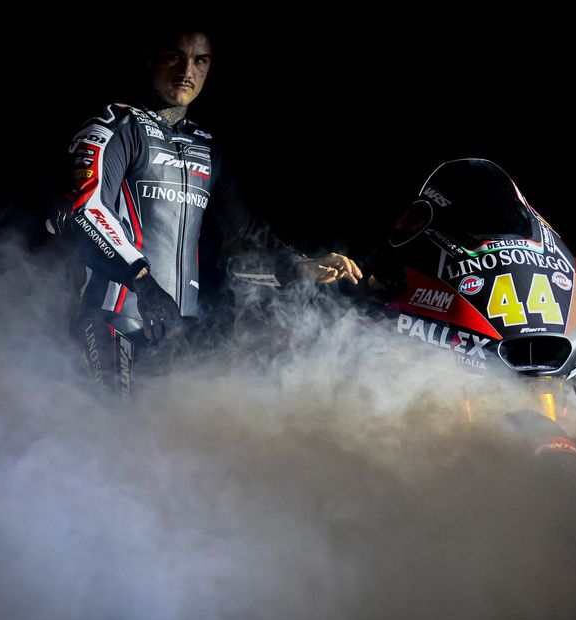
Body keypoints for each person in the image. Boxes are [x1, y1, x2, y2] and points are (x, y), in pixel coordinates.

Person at [52, 28, 361, 400]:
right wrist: (144, 282)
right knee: (110, 427)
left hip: (175, 331)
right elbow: (86, 210)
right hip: (110, 320)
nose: (187, 71)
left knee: (169, 436)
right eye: (175, 56)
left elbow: (244, 239)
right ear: (150, 57)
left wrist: (302, 266)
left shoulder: (207, 148)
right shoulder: (115, 125)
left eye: (200, 60)